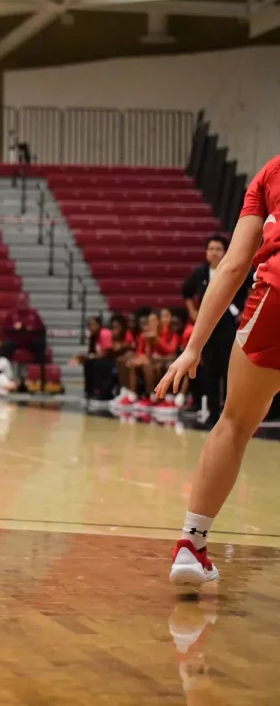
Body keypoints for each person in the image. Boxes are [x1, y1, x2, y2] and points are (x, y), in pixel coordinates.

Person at [157, 155, 280, 590]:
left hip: (275, 297)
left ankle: (191, 546)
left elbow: (231, 267)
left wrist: (193, 348)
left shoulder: (270, 172)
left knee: (234, 422)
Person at [182, 234, 252, 416]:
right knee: (210, 371)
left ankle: (231, 414)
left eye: (218, 249)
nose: (214, 253)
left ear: (225, 252)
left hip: (230, 327)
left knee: (229, 370)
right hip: (208, 329)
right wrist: (193, 312)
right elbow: (186, 293)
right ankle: (212, 413)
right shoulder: (200, 273)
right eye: (211, 249)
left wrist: (246, 310)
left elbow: (254, 287)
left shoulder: (236, 269)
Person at [73, 316, 116, 401]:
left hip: (111, 361)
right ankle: (90, 391)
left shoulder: (104, 333)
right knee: (88, 362)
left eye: (94, 324)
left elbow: (109, 352)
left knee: (97, 363)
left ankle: (102, 392)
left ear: (99, 325)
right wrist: (85, 356)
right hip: (101, 359)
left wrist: (92, 356)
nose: (91, 327)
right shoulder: (94, 336)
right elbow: (94, 353)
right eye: (89, 325)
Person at [0, 294, 46, 367]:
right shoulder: (11, 314)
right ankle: (4, 368)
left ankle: (37, 370)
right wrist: (13, 327)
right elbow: (5, 328)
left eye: (24, 302)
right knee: (5, 346)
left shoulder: (33, 314)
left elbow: (42, 329)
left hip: (30, 339)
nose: (22, 304)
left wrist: (31, 328)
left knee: (40, 343)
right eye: (21, 302)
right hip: (15, 339)